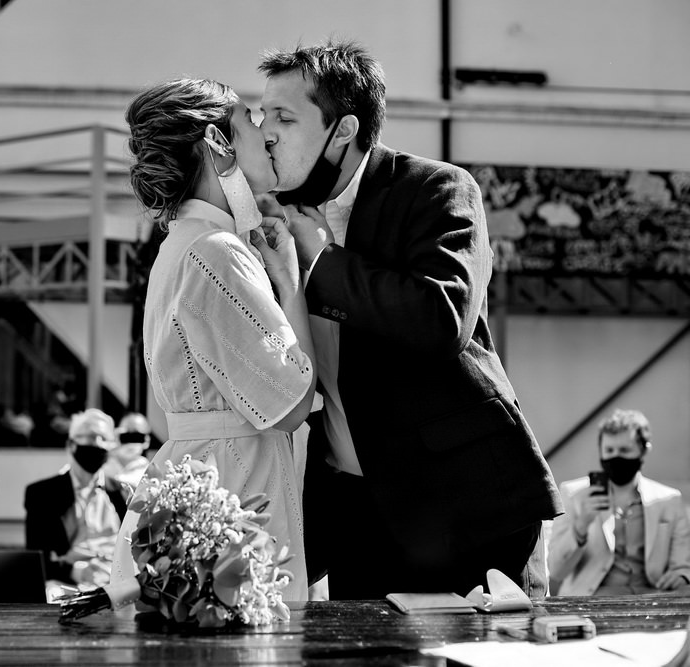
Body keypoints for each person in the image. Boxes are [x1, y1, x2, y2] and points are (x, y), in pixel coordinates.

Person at [257, 40, 562, 599]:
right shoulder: (271, 217)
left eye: (284, 116)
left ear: (342, 130)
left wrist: (322, 260)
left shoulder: (436, 189)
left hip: (467, 505)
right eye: (261, 115)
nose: (265, 131)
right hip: (357, 512)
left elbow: (440, 318)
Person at [109, 78, 318, 602]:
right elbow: (291, 404)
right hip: (232, 487)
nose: (267, 135)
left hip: (207, 473)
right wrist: (292, 284)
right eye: (250, 121)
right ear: (217, 143)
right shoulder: (215, 251)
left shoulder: (188, 243)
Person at [549, 409, 690, 596]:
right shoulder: (574, 494)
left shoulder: (669, 499)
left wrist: (681, 576)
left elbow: (682, 566)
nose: (616, 457)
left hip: (650, 601)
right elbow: (556, 571)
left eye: (624, 450)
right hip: (590, 603)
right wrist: (581, 526)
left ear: (643, 450)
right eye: (609, 450)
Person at [24, 409, 127, 602]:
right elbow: (36, 560)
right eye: (91, 437)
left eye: (104, 438)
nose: (98, 444)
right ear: (71, 445)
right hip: (67, 584)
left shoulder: (122, 491)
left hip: (115, 582)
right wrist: (77, 572)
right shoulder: (42, 494)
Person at [105, 412, 153, 491]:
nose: (130, 443)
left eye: (137, 437)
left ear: (146, 441)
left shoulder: (145, 467)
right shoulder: (105, 461)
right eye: (127, 437)